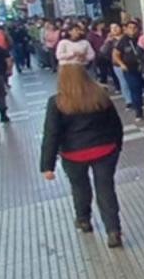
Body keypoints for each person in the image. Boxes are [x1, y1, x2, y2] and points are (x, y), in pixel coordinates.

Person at [40, 63, 125, 249]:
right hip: (104, 149)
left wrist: (47, 165)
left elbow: (51, 133)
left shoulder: (57, 102)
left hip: (73, 153)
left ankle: (83, 219)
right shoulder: (100, 96)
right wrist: (117, 145)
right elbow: (115, 123)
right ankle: (113, 231)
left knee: (79, 187)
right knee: (106, 189)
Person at [113, 20, 144, 120]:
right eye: (130, 28)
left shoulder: (141, 38)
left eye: (134, 28)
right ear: (126, 29)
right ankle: (139, 112)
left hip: (143, 68)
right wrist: (121, 64)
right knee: (135, 90)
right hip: (130, 70)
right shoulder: (123, 41)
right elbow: (115, 54)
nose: (132, 30)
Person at [98, 22, 122, 92]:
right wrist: (107, 41)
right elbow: (103, 51)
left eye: (116, 27)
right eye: (112, 28)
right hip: (115, 63)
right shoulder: (110, 40)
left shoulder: (124, 37)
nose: (114, 29)